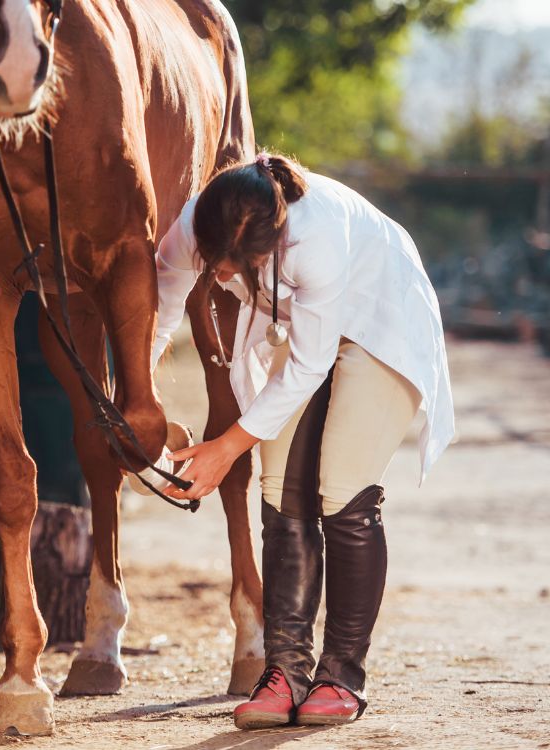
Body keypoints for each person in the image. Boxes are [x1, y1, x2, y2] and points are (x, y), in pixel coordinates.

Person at [150, 152, 454, 729]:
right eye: (214, 264)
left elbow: (309, 364)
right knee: (280, 481)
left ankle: (342, 677)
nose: (219, 276)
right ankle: (284, 671)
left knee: (340, 485)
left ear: (276, 242)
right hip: (309, 327)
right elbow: (162, 311)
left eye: (237, 266)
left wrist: (222, 449)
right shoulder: (197, 224)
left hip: (379, 322)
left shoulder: (312, 239)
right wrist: (141, 400)